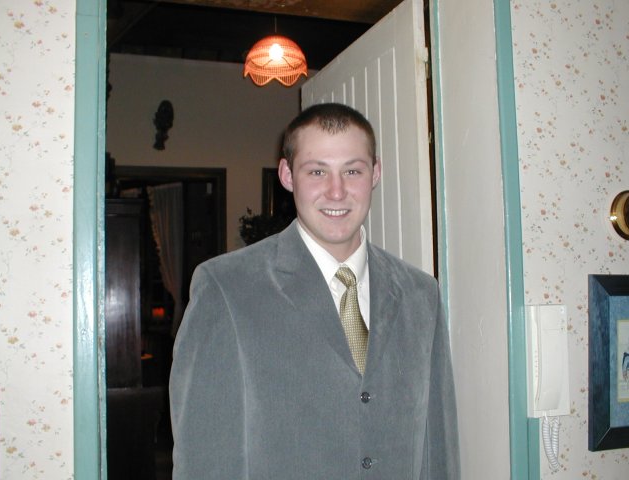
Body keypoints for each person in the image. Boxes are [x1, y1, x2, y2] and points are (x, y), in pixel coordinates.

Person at [169, 103, 460, 479]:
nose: (336, 192)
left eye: (352, 171)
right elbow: (205, 456)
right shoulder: (227, 288)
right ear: (287, 175)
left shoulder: (421, 295)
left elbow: (438, 447)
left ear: (375, 173)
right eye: (317, 171)